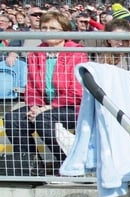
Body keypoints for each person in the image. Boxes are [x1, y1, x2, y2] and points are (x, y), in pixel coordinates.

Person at [4, 11, 88, 176]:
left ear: (64, 31)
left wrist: (47, 108)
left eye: (53, 28)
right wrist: (35, 106)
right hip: (44, 107)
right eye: (44, 27)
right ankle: (30, 167)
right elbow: (31, 87)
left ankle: (69, 165)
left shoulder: (77, 53)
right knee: (13, 119)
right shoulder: (36, 53)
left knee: (44, 119)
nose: (47, 31)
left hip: (73, 108)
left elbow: (77, 91)